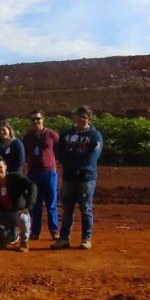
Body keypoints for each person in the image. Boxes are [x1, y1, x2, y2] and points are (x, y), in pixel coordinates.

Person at [51, 106, 103, 251]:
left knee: (85, 208)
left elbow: (91, 157)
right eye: (79, 116)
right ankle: (64, 239)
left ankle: (86, 239)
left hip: (86, 178)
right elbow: (60, 152)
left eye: (84, 117)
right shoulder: (66, 135)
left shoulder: (95, 136)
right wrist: (68, 165)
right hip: (68, 177)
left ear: (89, 119)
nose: (81, 119)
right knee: (67, 209)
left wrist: (77, 167)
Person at [0, 156, 36, 252]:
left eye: (0, 167)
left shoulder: (16, 178)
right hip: (1, 214)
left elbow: (32, 186)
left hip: (17, 214)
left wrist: (29, 206)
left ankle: (24, 241)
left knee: (23, 217)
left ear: (5, 167)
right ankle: (5, 236)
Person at [22, 109, 60, 241]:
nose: (36, 121)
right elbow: (25, 154)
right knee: (35, 204)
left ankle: (54, 230)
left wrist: (54, 164)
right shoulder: (28, 137)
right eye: (33, 119)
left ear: (43, 119)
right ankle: (35, 231)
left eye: (38, 118)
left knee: (51, 204)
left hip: (49, 173)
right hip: (33, 173)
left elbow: (59, 151)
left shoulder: (52, 135)